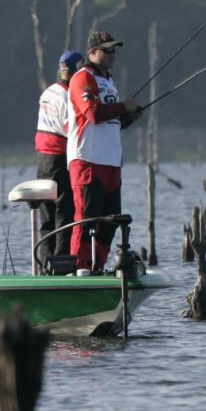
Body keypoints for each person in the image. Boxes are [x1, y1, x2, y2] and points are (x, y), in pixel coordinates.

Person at [66, 30, 143, 272]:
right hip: (87, 159)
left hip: (111, 162)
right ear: (92, 53)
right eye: (107, 50)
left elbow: (112, 123)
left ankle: (98, 266)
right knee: (87, 218)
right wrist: (122, 106)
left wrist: (129, 116)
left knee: (110, 222)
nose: (113, 54)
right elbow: (93, 114)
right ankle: (81, 268)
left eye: (114, 50)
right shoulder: (83, 77)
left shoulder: (109, 80)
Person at [35, 50, 85, 260]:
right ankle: (61, 264)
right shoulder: (68, 97)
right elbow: (71, 129)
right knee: (65, 214)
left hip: (43, 162)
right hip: (59, 159)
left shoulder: (48, 92)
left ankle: (46, 264)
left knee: (47, 218)